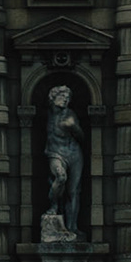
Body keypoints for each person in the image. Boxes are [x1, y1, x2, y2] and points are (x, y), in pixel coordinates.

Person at [44, 84, 83, 239]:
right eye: (62, 96)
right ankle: (53, 208)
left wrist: (73, 127)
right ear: (53, 98)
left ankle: (72, 226)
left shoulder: (70, 114)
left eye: (68, 98)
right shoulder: (47, 114)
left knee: (73, 191)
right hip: (55, 153)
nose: (66, 100)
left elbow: (82, 138)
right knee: (60, 177)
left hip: (74, 154)